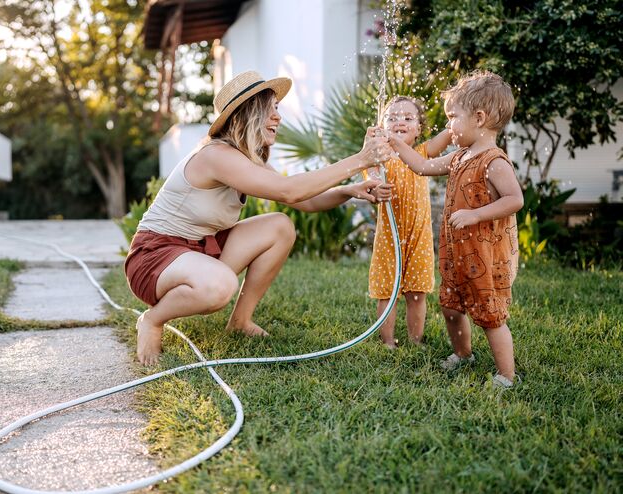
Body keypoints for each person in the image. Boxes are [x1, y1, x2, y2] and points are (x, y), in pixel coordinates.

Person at [125, 70, 394, 365]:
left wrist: (350, 190)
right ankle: (152, 320)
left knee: (280, 226)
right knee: (220, 285)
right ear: (248, 113)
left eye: (277, 109)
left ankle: (240, 321)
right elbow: (290, 191)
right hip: (155, 257)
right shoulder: (216, 156)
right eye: (271, 109)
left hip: (198, 249)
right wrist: (360, 159)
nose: (278, 117)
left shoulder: (245, 159)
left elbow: (305, 200)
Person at [387, 71, 523, 388]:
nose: (449, 126)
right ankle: (463, 354)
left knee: (490, 316)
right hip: (457, 252)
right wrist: (395, 142)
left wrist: (476, 215)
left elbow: (514, 199)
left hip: (485, 256)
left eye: (453, 118)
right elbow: (422, 166)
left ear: (478, 118)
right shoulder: (459, 156)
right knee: (450, 305)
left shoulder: (494, 161)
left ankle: (507, 375)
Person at [366, 96, 451, 349]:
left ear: (419, 128)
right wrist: (375, 187)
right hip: (388, 238)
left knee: (417, 292)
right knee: (387, 292)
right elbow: (369, 181)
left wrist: (460, 113)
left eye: (407, 118)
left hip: (419, 236)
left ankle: (415, 341)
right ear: (382, 126)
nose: (399, 122)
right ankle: (388, 341)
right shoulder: (379, 158)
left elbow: (449, 134)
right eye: (391, 117)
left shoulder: (423, 152)